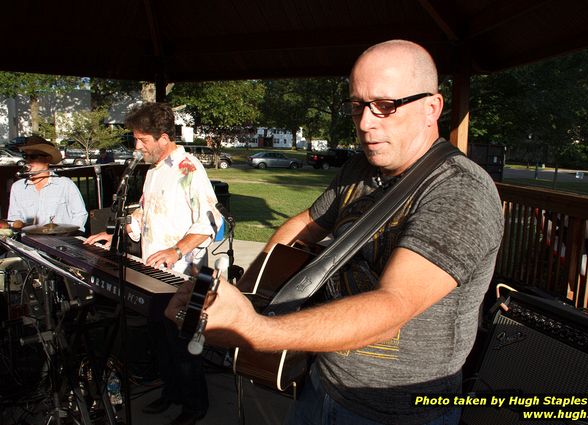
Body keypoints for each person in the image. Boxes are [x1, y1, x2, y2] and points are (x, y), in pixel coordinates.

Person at [166, 40, 504, 425]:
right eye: (357, 105)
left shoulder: (461, 191)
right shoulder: (359, 170)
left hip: (397, 412)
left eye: (385, 106)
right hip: (322, 382)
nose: (365, 122)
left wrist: (258, 329)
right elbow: (305, 223)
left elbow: (393, 306)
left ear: (432, 108)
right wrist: (253, 293)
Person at [85, 103, 222, 425]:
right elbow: (145, 214)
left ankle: (194, 406)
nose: (137, 147)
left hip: (183, 276)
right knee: (160, 340)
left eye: (142, 139)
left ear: (163, 137)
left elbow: (209, 223)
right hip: (153, 273)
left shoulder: (189, 169)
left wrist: (176, 251)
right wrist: (114, 233)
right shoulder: (154, 171)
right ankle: (171, 394)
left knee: (182, 344)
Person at [7, 135, 88, 232]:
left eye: (33, 156)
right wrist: (17, 223)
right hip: (28, 241)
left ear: (47, 159)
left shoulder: (65, 184)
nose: (28, 161)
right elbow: (13, 216)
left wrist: (71, 235)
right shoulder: (18, 187)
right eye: (25, 156)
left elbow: (80, 214)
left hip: (61, 242)